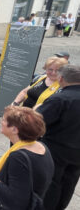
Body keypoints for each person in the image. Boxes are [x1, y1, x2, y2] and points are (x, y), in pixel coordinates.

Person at [0, 106, 53, 210]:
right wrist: (0, 165)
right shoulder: (42, 147)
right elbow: (25, 175)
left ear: (14, 129)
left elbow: (15, 201)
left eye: (3, 119)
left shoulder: (18, 157)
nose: (1, 121)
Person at [36, 65, 80, 210]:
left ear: (61, 79)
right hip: (77, 152)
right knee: (70, 182)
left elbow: (37, 122)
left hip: (56, 149)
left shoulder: (60, 99)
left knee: (52, 183)